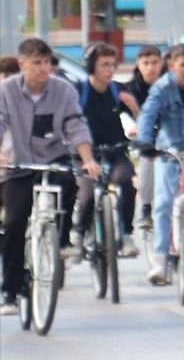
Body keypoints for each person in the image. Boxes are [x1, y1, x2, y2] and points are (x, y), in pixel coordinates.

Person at [0, 39, 101, 315]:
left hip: (53, 158)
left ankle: (62, 238)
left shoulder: (63, 90)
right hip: (17, 163)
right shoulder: (7, 90)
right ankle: (9, 291)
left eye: (47, 63)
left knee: (70, 183)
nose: (44, 69)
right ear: (22, 65)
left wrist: (88, 159)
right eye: (36, 63)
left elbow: (75, 125)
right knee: (14, 222)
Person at [134, 44, 184, 285]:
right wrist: (145, 143)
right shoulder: (161, 88)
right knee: (163, 202)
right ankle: (160, 259)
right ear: (172, 66)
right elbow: (147, 115)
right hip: (168, 148)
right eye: (183, 65)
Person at [72, 42, 142, 260]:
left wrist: (134, 108)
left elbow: (141, 123)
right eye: (104, 65)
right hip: (85, 155)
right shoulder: (79, 91)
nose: (110, 69)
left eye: (113, 64)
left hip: (115, 150)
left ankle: (126, 234)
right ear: (91, 66)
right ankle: (78, 234)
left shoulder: (118, 91)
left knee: (126, 183)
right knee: (86, 195)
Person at [126, 45, 165, 230]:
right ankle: (146, 207)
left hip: (171, 135)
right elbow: (124, 116)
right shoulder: (130, 88)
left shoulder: (169, 84)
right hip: (145, 138)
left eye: (155, 63)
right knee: (148, 162)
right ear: (138, 65)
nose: (151, 67)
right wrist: (135, 125)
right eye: (146, 63)